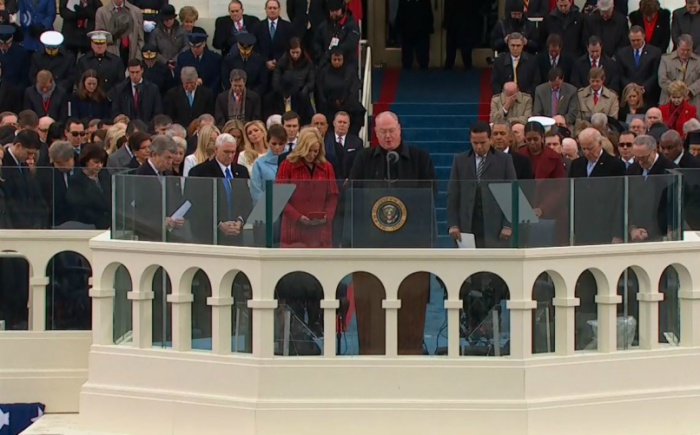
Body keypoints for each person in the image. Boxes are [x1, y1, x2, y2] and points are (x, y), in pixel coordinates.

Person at [447, 120, 516, 248]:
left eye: (483, 143)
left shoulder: (504, 160)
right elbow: (453, 194)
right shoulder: (460, 160)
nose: (479, 147)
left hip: (495, 226)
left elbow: (512, 194)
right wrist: (453, 224)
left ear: (490, 139)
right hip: (468, 224)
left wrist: (508, 225)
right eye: (475, 143)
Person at [275, 127, 338, 248]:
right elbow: (279, 198)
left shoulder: (326, 166)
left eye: (315, 151)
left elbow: (333, 195)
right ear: (302, 147)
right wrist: (298, 217)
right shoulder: (287, 165)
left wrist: (327, 216)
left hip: (321, 232)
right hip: (294, 232)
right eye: (309, 150)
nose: (312, 155)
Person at [187, 133, 253, 246]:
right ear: (216, 149)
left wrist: (240, 222)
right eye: (226, 152)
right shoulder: (199, 172)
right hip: (208, 235)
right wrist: (219, 224)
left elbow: (246, 201)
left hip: (236, 234)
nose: (230, 156)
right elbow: (196, 204)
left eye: (233, 152)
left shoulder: (241, 171)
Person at [568, 127, 626, 244]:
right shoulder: (576, 164)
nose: (586, 152)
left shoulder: (615, 165)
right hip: (582, 225)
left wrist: (617, 233)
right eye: (583, 148)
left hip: (605, 225)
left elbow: (619, 200)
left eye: (590, 148)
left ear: (600, 144)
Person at [626, 134, 677, 242]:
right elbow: (628, 201)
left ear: (654, 151)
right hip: (634, 233)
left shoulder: (670, 170)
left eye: (643, 157)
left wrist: (650, 231)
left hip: (659, 234)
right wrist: (631, 228)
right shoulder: (633, 169)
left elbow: (670, 207)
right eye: (636, 158)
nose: (640, 162)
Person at [134, 135, 185, 241]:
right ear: (154, 155)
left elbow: (174, 199)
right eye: (167, 158)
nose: (170, 162)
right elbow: (139, 210)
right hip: (149, 236)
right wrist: (160, 221)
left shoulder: (168, 173)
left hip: (170, 234)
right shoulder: (141, 175)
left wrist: (176, 219)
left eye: (172, 158)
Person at [1, 129, 42, 228]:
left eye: (33, 154)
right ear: (18, 146)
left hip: (28, 225)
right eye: (28, 153)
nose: (31, 157)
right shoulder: (3, 164)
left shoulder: (24, 166)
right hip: (11, 226)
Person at [66, 143, 110, 229]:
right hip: (89, 226)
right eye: (96, 162)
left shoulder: (105, 175)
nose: (99, 166)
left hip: (109, 225)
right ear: (86, 161)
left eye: (101, 162)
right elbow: (80, 208)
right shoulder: (76, 180)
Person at [617, 26, 663, 107]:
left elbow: (655, 73)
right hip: (629, 97)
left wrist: (644, 88)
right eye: (633, 40)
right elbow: (620, 74)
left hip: (649, 96)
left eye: (638, 40)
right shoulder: (622, 53)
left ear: (644, 36)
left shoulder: (655, 52)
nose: (635, 43)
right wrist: (631, 87)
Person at [316, 49, 361, 123]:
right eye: (334, 59)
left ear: (343, 59)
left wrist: (344, 102)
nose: (337, 62)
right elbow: (320, 91)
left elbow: (353, 89)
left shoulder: (350, 72)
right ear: (331, 59)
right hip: (328, 108)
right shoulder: (324, 72)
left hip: (347, 107)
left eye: (339, 59)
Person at [95, 0, 144, 64]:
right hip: (111, 58)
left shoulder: (136, 11)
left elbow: (140, 39)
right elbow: (100, 37)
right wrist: (114, 36)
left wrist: (137, 59)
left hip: (131, 56)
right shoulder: (102, 12)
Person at [76, 30, 125, 95]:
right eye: (96, 43)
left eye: (102, 43)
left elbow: (120, 82)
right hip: (90, 98)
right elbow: (79, 81)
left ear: (106, 44)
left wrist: (110, 95)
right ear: (91, 44)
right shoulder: (83, 61)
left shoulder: (116, 61)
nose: (99, 46)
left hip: (110, 99)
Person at [252, 0, 295, 73]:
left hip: (283, 69)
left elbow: (290, 47)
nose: (272, 10)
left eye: (275, 8)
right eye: (270, 8)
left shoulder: (288, 27)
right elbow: (255, 48)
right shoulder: (257, 27)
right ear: (265, 9)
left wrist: (277, 60)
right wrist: (265, 61)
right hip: (262, 69)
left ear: (279, 10)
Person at [315, 0, 360, 69]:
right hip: (326, 66)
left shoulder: (352, 25)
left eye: (336, 10)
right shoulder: (323, 26)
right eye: (332, 11)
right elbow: (316, 43)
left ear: (342, 9)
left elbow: (350, 43)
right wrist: (322, 56)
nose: (334, 13)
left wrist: (335, 52)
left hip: (346, 67)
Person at [491, 32, 540, 96]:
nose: (515, 48)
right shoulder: (499, 61)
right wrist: (502, 97)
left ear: (523, 45)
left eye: (518, 45)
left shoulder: (532, 61)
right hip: (505, 99)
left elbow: (536, 82)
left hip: (526, 100)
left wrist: (525, 97)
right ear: (508, 45)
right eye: (513, 45)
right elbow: (495, 83)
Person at [220, 32, 268, 96]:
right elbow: (225, 79)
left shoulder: (259, 60)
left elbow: (263, 82)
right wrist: (234, 92)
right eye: (242, 50)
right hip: (233, 94)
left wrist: (251, 94)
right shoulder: (229, 59)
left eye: (247, 51)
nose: (245, 53)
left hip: (253, 96)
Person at [659, 34, 700, 109]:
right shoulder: (666, 59)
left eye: (688, 50)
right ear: (677, 47)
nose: (685, 52)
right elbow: (662, 79)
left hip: (692, 102)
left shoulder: (698, 61)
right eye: (683, 50)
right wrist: (678, 93)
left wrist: (690, 91)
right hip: (669, 101)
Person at [250, 123, 286, 204]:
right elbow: (256, 192)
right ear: (268, 141)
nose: (277, 147)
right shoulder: (259, 163)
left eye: (281, 144)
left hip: (289, 212)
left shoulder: (291, 161)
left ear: (286, 142)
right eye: (274, 143)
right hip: (267, 210)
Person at [323, 111, 362, 180]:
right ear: (334, 123)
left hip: (349, 181)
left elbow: (358, 164)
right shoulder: (325, 140)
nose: (342, 125)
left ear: (348, 125)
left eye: (344, 122)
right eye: (340, 122)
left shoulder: (357, 142)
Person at [443, 0, 473, 69]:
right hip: (458, 23)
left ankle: (467, 67)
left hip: (461, 23)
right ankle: (467, 67)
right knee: (455, 51)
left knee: (463, 51)